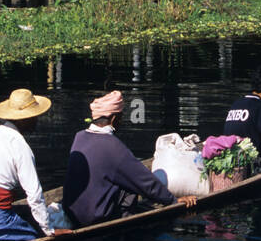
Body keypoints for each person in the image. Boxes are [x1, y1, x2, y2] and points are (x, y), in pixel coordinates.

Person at [63, 90, 198, 226]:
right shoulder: (112, 146)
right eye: (121, 117)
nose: (121, 121)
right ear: (114, 119)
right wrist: (172, 201)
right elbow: (144, 181)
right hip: (96, 216)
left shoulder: (79, 137)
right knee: (131, 186)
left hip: (72, 212)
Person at [0, 88, 71, 241]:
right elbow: (34, 194)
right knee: (32, 237)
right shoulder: (20, 146)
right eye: (34, 117)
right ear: (24, 119)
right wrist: (49, 230)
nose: (37, 120)